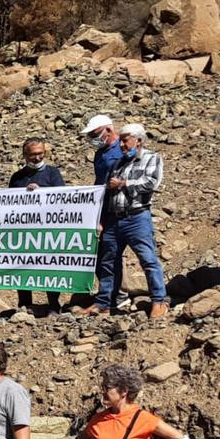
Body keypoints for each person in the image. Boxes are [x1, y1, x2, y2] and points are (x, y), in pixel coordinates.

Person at [85, 124, 169, 319]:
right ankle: (104, 303)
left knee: (148, 259)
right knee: (108, 262)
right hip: (114, 218)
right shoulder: (118, 163)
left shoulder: (151, 158)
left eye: (125, 140)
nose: (121, 144)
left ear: (138, 140)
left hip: (137, 217)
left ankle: (159, 301)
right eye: (121, 140)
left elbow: (152, 182)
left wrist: (123, 184)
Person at [10, 139, 67, 313]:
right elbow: (8, 202)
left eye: (40, 153)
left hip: (48, 229)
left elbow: (62, 197)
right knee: (23, 266)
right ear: (25, 155)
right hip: (25, 230)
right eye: (33, 154)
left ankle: (53, 304)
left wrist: (41, 191)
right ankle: (25, 303)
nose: (37, 157)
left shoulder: (53, 173)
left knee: (50, 265)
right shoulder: (17, 177)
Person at [83, 114, 128, 310]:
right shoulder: (99, 154)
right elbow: (99, 182)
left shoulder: (124, 149)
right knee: (105, 254)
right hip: (105, 210)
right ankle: (111, 296)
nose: (92, 139)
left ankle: (118, 296)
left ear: (108, 130)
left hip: (124, 210)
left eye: (95, 134)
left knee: (115, 253)